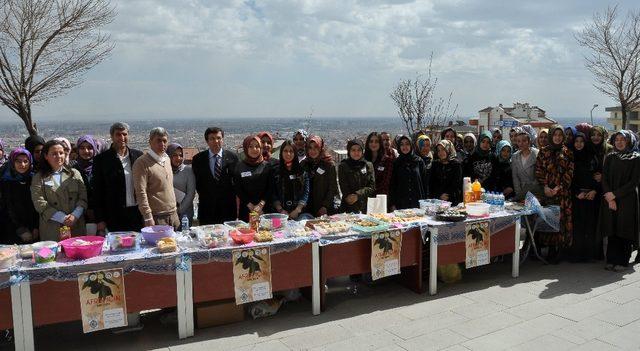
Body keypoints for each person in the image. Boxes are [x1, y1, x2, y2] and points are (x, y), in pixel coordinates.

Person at [92, 122, 144, 233]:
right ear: (112, 136)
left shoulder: (138, 156)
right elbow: (97, 192)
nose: (122, 138)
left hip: (136, 213)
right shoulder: (102, 160)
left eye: (125, 134)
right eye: (118, 134)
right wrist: (100, 219)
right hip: (114, 215)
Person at [599, 130, 640, 271]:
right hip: (610, 198)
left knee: (624, 229)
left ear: (629, 141)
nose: (619, 142)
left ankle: (623, 261)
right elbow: (604, 178)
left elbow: (634, 181)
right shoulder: (610, 157)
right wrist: (609, 197)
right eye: (617, 139)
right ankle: (611, 259)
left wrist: (614, 195)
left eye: (623, 139)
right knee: (612, 228)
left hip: (627, 199)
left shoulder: (636, 158)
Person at [31, 140, 87, 241]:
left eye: (61, 153)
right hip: (52, 228)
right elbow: (39, 202)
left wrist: (75, 215)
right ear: (46, 156)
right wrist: (62, 218)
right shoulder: (38, 177)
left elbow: (83, 197)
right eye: (54, 154)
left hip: (76, 226)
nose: (59, 156)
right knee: (52, 256)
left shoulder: (74, 174)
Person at [535, 125, 574, 262]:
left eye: (560, 135)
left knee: (561, 223)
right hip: (547, 194)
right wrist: (545, 187)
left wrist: (559, 187)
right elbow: (539, 170)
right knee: (549, 221)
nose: (557, 137)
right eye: (555, 135)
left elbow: (570, 172)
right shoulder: (543, 152)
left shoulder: (568, 152)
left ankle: (559, 251)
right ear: (551, 136)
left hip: (562, 194)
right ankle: (549, 249)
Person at [132, 127, 179, 229]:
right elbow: (140, 192)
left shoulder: (166, 159)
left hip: (173, 214)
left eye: (164, 141)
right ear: (150, 142)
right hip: (156, 217)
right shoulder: (142, 163)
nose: (162, 144)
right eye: (158, 140)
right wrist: (147, 216)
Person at [192, 127, 239, 225]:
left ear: (223, 139)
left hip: (228, 209)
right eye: (212, 138)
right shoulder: (198, 159)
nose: (216, 141)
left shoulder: (232, 157)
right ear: (207, 141)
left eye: (218, 138)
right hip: (207, 209)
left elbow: (236, 182)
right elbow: (197, 183)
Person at [569, 132, 601, 262]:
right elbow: (568, 179)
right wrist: (577, 193)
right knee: (578, 226)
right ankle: (577, 255)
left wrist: (594, 191)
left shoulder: (593, 157)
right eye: (576, 141)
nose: (579, 144)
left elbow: (599, 176)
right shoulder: (570, 157)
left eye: (581, 141)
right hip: (577, 197)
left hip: (591, 197)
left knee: (590, 225)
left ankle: (590, 255)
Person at [0, 148, 38, 244]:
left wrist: (36, 227)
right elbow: (7, 207)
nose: (23, 165)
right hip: (12, 230)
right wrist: (20, 229)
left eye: (26, 161)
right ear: (12, 162)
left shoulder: (34, 179)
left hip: (35, 230)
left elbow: (36, 204)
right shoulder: (5, 181)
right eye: (18, 161)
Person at [234, 135, 273, 220]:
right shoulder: (239, 167)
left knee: (266, 233)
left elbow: (270, 188)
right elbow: (238, 188)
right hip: (246, 209)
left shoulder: (267, 166)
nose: (254, 149)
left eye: (257, 146)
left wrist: (261, 205)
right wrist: (250, 205)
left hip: (264, 209)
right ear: (245, 148)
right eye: (250, 146)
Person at [273, 140, 311, 220]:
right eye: (285, 151)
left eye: (291, 151)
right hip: (280, 213)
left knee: (301, 229)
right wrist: (280, 210)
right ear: (281, 153)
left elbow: (305, 192)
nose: (288, 154)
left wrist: (297, 210)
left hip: (299, 213)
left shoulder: (302, 172)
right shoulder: (275, 171)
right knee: (277, 231)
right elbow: (273, 192)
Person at [302, 135, 338, 217]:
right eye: (310, 148)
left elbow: (332, 187)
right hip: (307, 208)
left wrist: (325, 206)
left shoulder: (329, 165)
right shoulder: (304, 164)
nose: (312, 150)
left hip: (324, 209)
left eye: (316, 147)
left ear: (321, 148)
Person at [390, 135, 428, 210]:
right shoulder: (396, 163)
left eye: (407, 144)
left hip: (417, 203)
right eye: (402, 144)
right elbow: (393, 185)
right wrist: (392, 203)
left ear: (411, 145)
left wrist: (426, 202)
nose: (405, 147)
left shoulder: (419, 161)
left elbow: (425, 183)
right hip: (401, 203)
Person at [338, 139, 375, 213]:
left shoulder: (368, 165)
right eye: (353, 150)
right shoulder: (343, 166)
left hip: (365, 206)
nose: (356, 153)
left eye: (359, 150)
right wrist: (349, 197)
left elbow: (372, 187)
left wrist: (357, 195)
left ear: (362, 151)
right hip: (348, 205)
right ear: (349, 151)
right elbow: (343, 185)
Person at [167, 143, 196, 229]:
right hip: (168, 212)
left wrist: (179, 210)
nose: (178, 158)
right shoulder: (164, 169)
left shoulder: (188, 170)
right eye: (175, 155)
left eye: (180, 155)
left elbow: (191, 193)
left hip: (185, 213)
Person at [430, 140, 462, 205]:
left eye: (443, 149)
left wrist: (447, 195)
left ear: (448, 149)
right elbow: (432, 183)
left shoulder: (456, 164)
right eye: (438, 150)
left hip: (452, 200)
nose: (440, 152)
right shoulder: (435, 164)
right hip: (437, 200)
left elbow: (456, 183)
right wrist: (439, 195)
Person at [511, 130, 541, 202]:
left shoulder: (537, 154)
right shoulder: (515, 156)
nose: (521, 143)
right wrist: (520, 195)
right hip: (521, 193)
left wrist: (531, 195)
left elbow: (539, 176)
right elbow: (515, 178)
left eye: (524, 140)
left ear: (529, 141)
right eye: (518, 141)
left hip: (536, 193)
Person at [73, 135, 97, 223]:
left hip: (102, 214)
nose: (86, 151)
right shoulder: (73, 170)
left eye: (90, 148)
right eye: (82, 148)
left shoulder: (100, 167)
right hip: (79, 215)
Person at [364, 132, 393, 198]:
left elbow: (385, 183)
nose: (373, 144)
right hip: (365, 198)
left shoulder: (387, 160)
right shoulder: (363, 160)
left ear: (380, 143)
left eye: (376, 141)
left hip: (380, 198)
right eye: (371, 141)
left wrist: (371, 192)